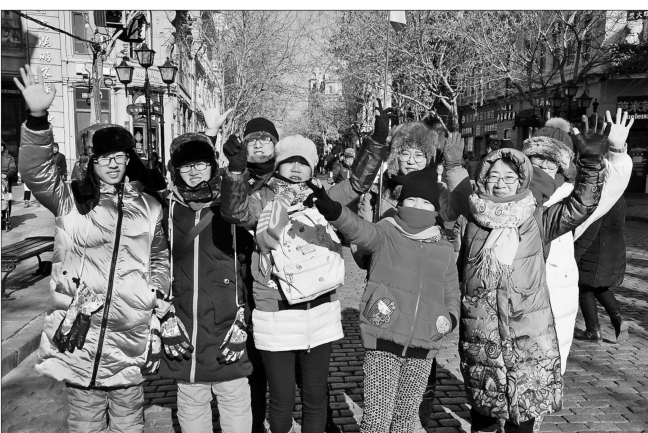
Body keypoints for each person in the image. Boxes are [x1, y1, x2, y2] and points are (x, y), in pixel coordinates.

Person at [15, 64, 172, 432]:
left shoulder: (150, 205)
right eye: (104, 158)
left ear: (130, 158)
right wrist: (37, 120)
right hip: (78, 333)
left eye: (120, 156)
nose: (113, 164)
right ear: (92, 161)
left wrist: (155, 291)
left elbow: (159, 255)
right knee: (85, 421)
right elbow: (36, 173)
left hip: (130, 330)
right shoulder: (70, 200)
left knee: (129, 420)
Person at [221, 131, 387, 433]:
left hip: (320, 311)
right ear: (278, 164)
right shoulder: (262, 199)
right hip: (277, 312)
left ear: (313, 167)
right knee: (281, 400)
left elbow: (357, 184)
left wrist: (375, 142)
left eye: (303, 163)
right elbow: (235, 211)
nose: (296, 169)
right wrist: (234, 172)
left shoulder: (322, 197)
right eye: (289, 161)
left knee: (315, 397)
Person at [444, 125, 607, 432]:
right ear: (483, 179)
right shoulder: (473, 220)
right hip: (482, 336)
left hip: (529, 337)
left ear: (521, 181)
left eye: (509, 178)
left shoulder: (537, 218)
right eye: (493, 176)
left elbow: (581, 205)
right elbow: (456, 266)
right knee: (484, 414)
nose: (500, 183)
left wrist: (591, 162)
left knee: (523, 417)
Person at [307, 165, 461, 432]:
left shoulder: (444, 248)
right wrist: (333, 210)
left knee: (405, 421)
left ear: (435, 209)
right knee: (376, 421)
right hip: (384, 340)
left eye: (425, 202)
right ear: (400, 203)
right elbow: (358, 229)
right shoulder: (386, 232)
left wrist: (450, 318)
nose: (417, 206)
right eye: (411, 200)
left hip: (423, 345)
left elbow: (451, 291)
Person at [157, 130, 254, 433]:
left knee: (234, 396)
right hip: (183, 322)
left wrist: (244, 318)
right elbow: (152, 261)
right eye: (186, 165)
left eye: (201, 163)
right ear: (175, 169)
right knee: (191, 397)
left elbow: (252, 269)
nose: (194, 171)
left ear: (213, 166)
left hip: (227, 321)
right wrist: (163, 315)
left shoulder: (231, 204)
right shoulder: (165, 207)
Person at [523, 113, 633, 372]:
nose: (544, 165)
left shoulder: (571, 197)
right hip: (511, 293)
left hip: (554, 293)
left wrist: (616, 151)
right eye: (537, 157)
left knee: (546, 370)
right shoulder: (507, 187)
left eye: (552, 160)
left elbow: (608, 187)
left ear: (564, 164)